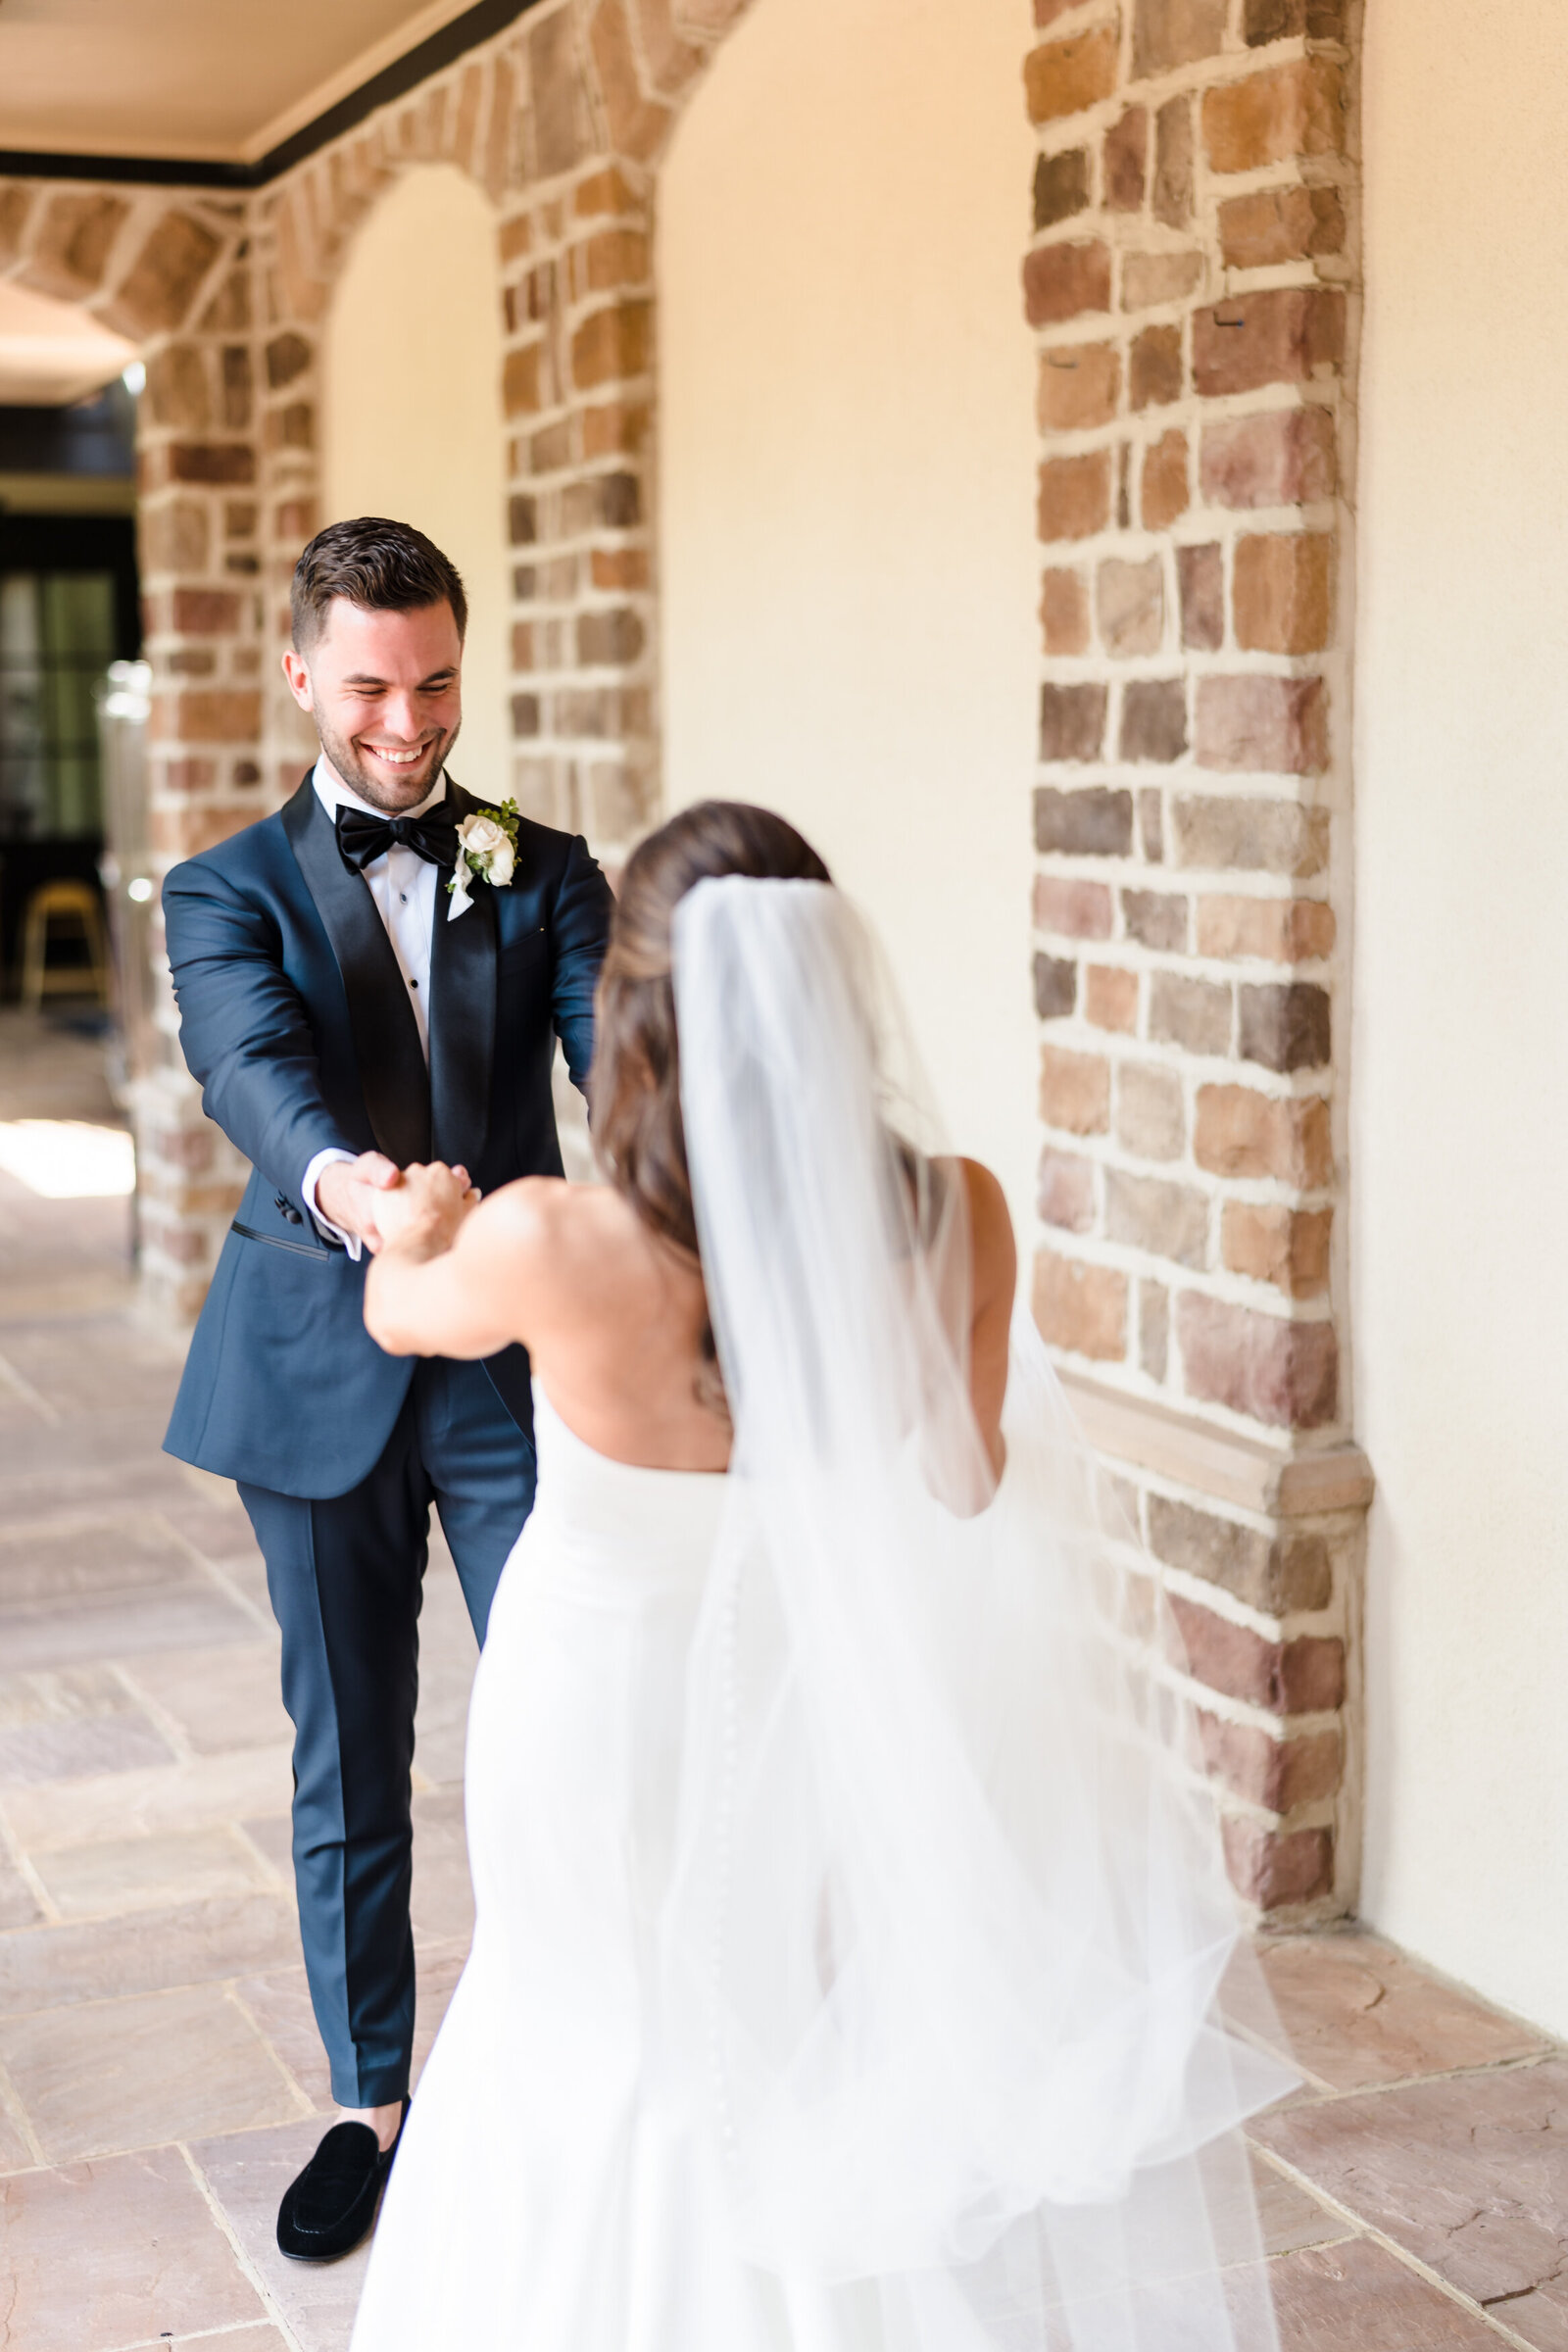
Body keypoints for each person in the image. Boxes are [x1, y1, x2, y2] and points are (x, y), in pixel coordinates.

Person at [348, 799, 1295, 2352]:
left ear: (636, 1014)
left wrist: (413, 1216)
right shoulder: (952, 1215)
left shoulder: (548, 1238)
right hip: (798, 1696)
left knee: (578, 2032)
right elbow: (962, 1480)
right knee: (763, 2040)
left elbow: (401, 1315)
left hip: (591, 1713)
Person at [159, 515, 613, 2261]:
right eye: (368, 687)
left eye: (433, 683)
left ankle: (578, 2061)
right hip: (316, 1352)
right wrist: (359, 1191)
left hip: (508, 1365)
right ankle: (375, 2099)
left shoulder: (543, 865)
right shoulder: (221, 889)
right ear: (300, 676)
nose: (407, 724)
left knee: (566, 1712)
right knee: (348, 1747)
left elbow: (611, 1069)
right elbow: (251, 1073)